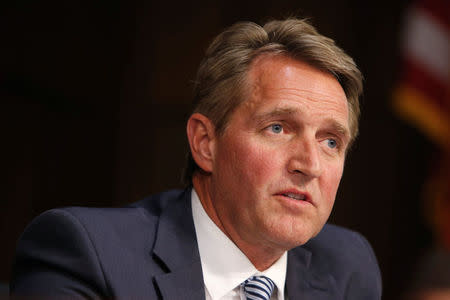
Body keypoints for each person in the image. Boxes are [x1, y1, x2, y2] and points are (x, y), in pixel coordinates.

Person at [10, 18, 382, 299]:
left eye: (331, 142)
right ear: (206, 143)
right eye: (278, 128)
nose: (309, 164)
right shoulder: (86, 255)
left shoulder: (349, 267)